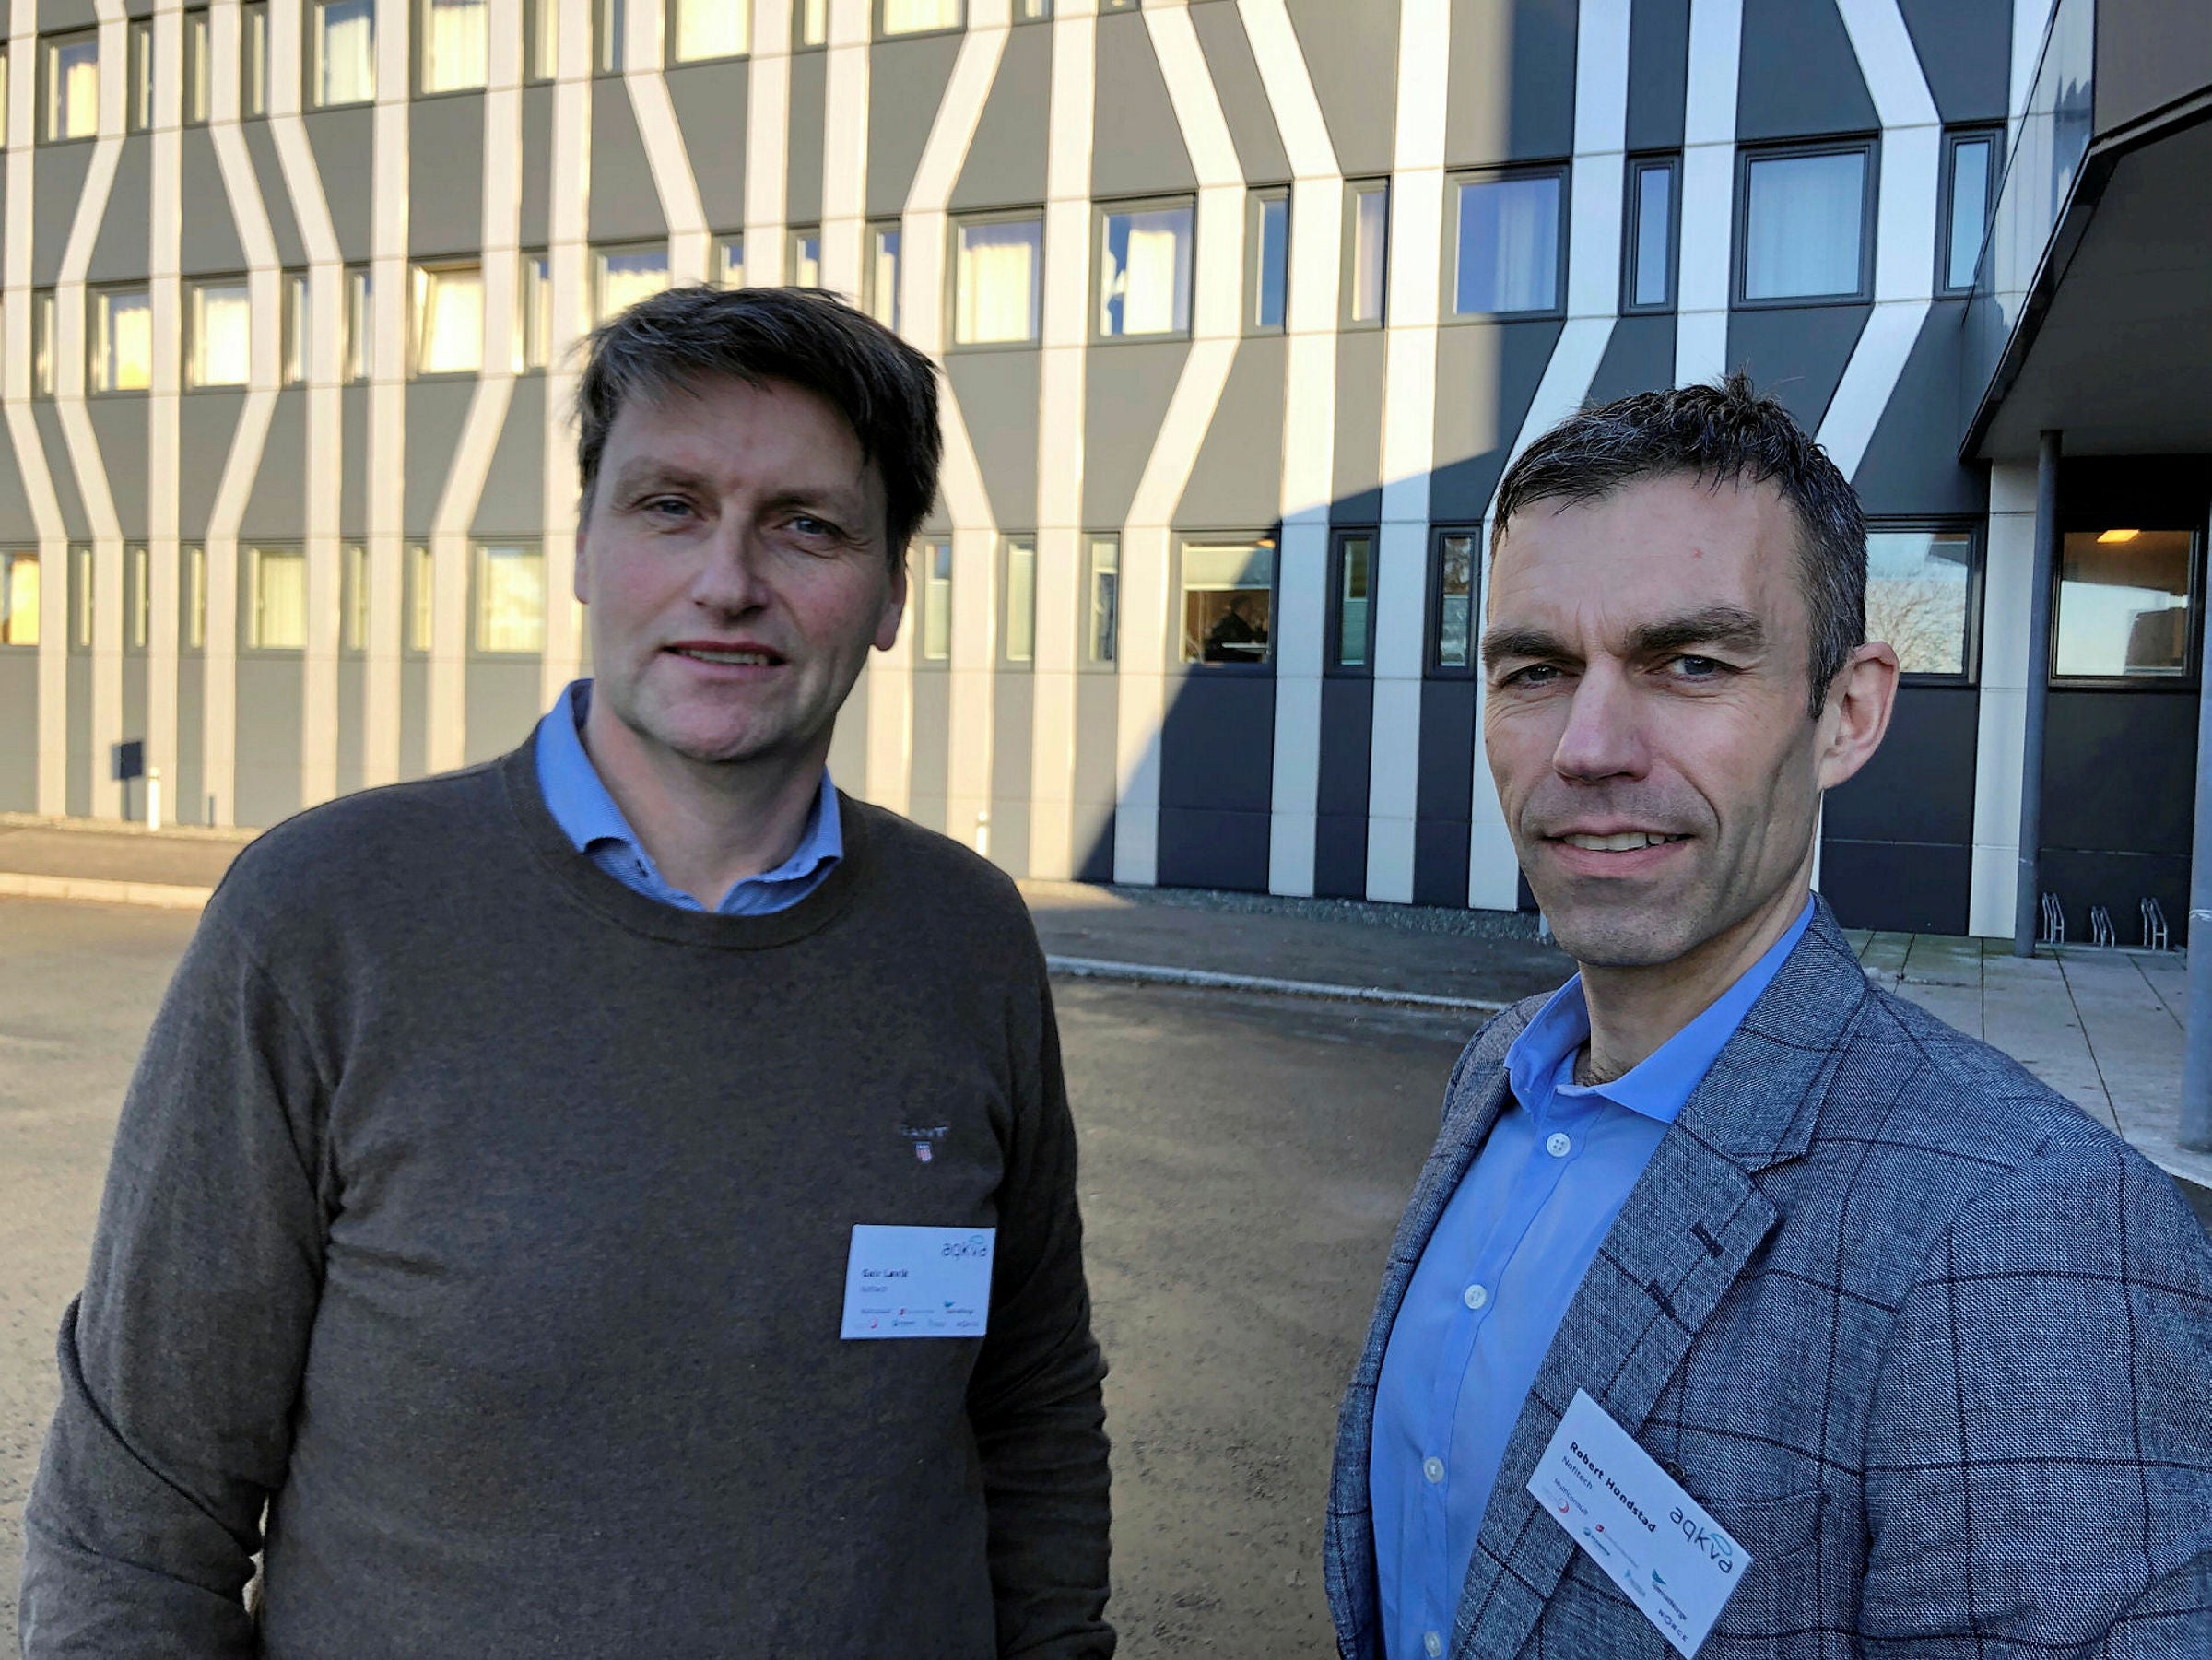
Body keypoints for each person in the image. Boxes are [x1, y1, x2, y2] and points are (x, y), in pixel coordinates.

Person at [20, 286, 1114, 1658]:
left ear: (894, 587)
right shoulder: (325, 917)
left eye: (807, 524)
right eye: (671, 506)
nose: (729, 580)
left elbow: (1031, 1407)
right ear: (587, 546)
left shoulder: (965, 937)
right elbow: (138, 1511)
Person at [1324, 376, 2212, 1659]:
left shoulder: (2030, 1237)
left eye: (1690, 662)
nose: (1588, 745)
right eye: (1536, 669)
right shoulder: (1501, 1075)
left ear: (1846, 713)